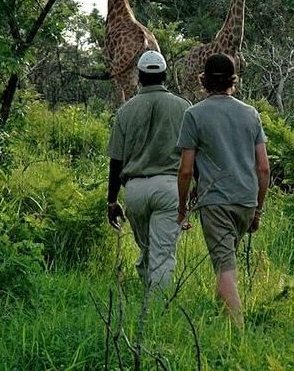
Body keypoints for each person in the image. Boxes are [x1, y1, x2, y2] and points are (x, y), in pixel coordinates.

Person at [176, 53, 270, 325]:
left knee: (225, 269)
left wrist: (183, 209)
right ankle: (223, 324)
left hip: (215, 202)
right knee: (225, 265)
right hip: (245, 200)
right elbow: (263, 167)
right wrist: (257, 211)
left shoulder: (194, 115)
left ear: (203, 80)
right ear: (233, 81)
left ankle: (238, 333)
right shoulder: (250, 114)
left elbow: (185, 170)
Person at [106, 50, 190, 290]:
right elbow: (193, 155)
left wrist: (112, 201)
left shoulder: (125, 110)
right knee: (162, 254)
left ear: (139, 77)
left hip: (135, 191)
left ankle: (146, 300)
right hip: (169, 188)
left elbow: (116, 161)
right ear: (165, 76)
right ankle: (157, 311)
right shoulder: (184, 107)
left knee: (147, 248)